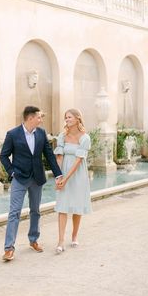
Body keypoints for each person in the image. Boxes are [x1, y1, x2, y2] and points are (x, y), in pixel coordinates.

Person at [0, 106, 63, 261]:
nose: (41, 120)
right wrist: (12, 172)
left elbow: (49, 155)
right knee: (14, 213)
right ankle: (9, 248)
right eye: (39, 117)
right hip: (19, 178)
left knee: (35, 211)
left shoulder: (41, 133)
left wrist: (58, 175)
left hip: (37, 178)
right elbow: (3, 156)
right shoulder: (13, 134)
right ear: (30, 118)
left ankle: (33, 240)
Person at [54, 109, 92, 254]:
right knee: (62, 207)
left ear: (77, 119)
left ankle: (74, 235)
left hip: (78, 175)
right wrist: (59, 176)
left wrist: (66, 178)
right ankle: (60, 241)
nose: (66, 119)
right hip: (63, 173)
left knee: (77, 206)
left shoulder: (85, 138)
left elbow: (78, 161)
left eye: (69, 117)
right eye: (65, 117)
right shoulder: (62, 136)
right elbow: (59, 157)